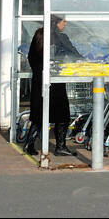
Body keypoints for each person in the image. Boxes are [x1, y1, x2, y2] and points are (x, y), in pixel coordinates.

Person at [24, 14, 82, 156]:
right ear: (57, 23)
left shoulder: (39, 34)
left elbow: (31, 57)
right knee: (62, 113)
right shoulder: (60, 37)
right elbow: (74, 54)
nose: (65, 24)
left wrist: (40, 71)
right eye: (63, 21)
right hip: (55, 80)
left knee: (39, 112)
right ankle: (60, 146)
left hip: (40, 79)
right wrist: (84, 62)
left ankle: (29, 144)